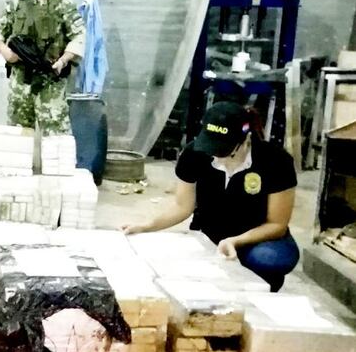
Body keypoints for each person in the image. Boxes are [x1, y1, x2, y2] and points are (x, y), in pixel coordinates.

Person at [122, 102, 299, 292]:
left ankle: (263, 289)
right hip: (212, 234)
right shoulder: (194, 154)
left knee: (267, 259)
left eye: (223, 149)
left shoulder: (275, 161)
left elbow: (276, 225)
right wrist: (147, 226)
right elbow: (183, 206)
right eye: (211, 146)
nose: (216, 154)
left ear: (246, 138)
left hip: (258, 239)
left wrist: (235, 241)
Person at [0, 0, 85, 135]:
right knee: (19, 136)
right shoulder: (16, 4)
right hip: (21, 82)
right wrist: (6, 51)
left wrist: (63, 60)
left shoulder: (65, 5)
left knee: (57, 138)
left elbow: (79, 36)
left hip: (51, 82)